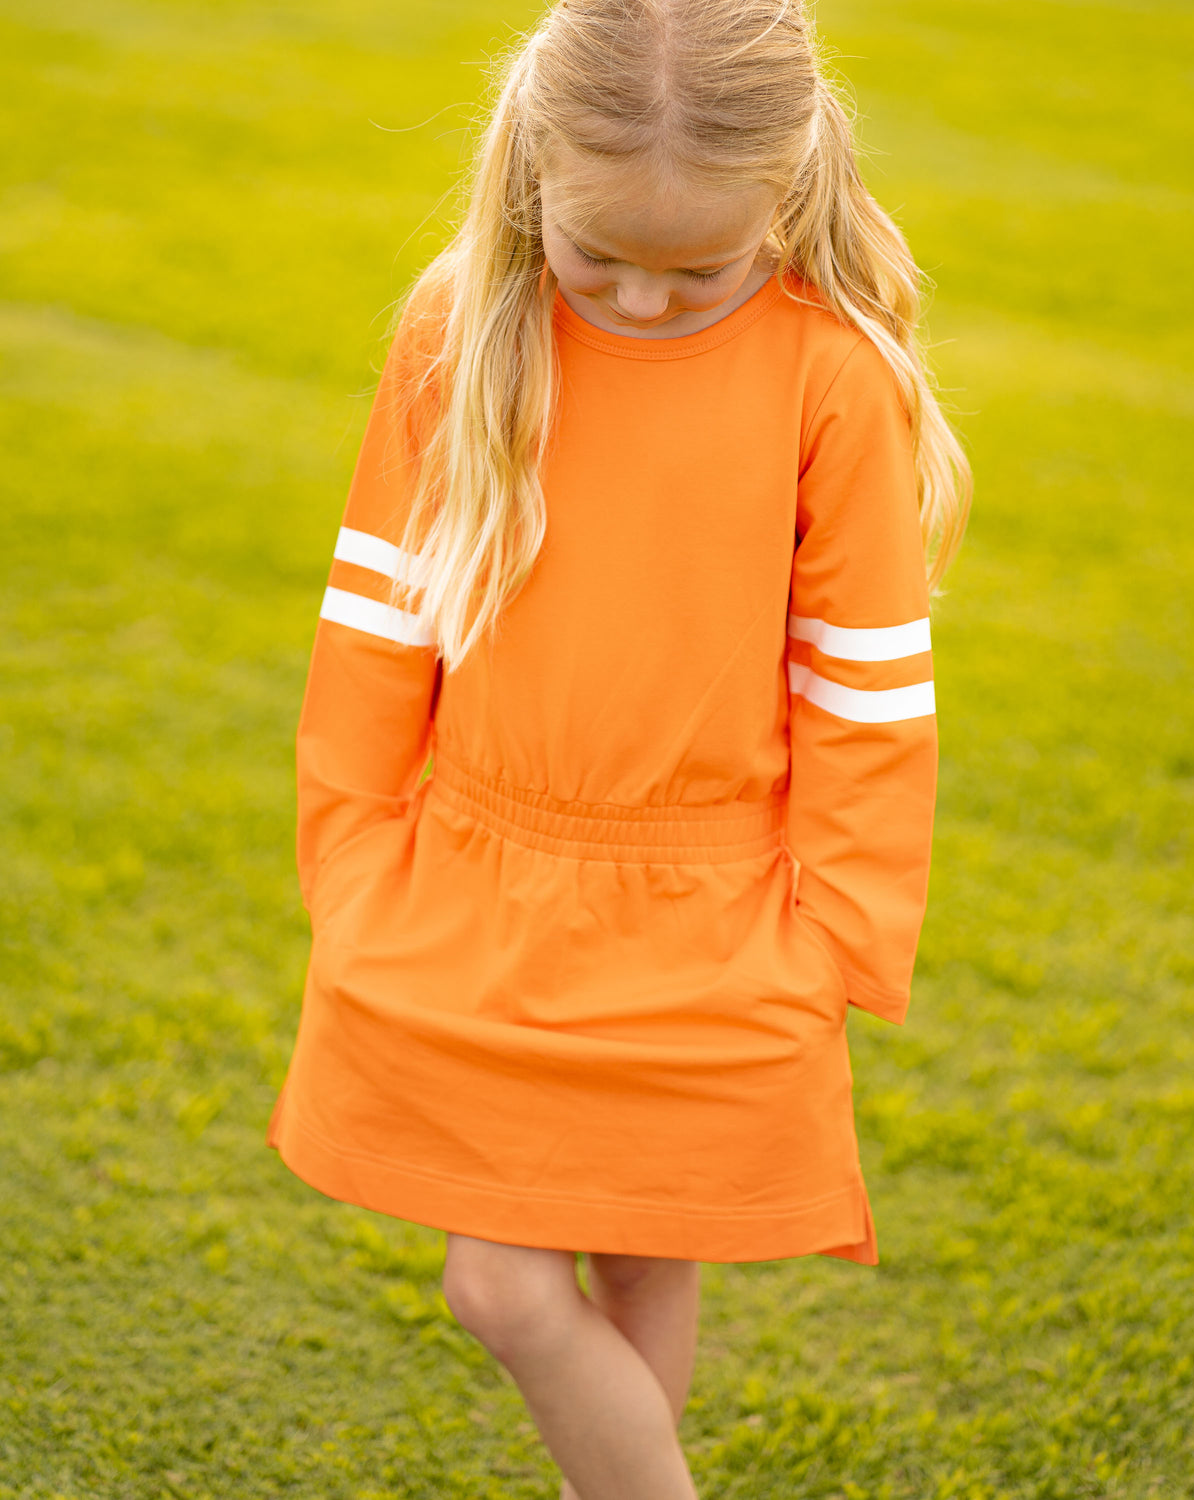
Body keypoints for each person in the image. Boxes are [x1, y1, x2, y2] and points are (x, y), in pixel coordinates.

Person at [266, 1, 972, 1495]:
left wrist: (838, 937)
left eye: (698, 270)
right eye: (603, 260)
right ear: (532, 174)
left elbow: (865, 686)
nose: (644, 304)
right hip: (481, 890)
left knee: (647, 1274)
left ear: (780, 199)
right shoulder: (460, 326)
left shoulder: (831, 377)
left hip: (717, 916)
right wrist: (350, 847)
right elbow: (381, 612)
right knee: (502, 1285)